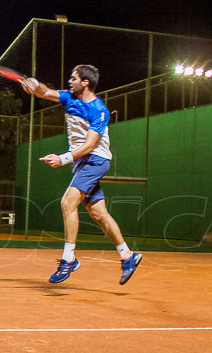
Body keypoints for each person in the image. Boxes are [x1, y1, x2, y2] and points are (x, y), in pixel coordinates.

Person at [24, 64, 143, 284]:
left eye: (73, 78)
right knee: (99, 214)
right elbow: (45, 92)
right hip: (81, 162)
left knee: (67, 204)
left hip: (95, 160)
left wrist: (63, 158)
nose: (69, 81)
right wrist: (32, 83)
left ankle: (68, 260)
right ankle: (128, 256)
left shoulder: (99, 110)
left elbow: (89, 146)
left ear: (85, 82)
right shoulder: (68, 97)